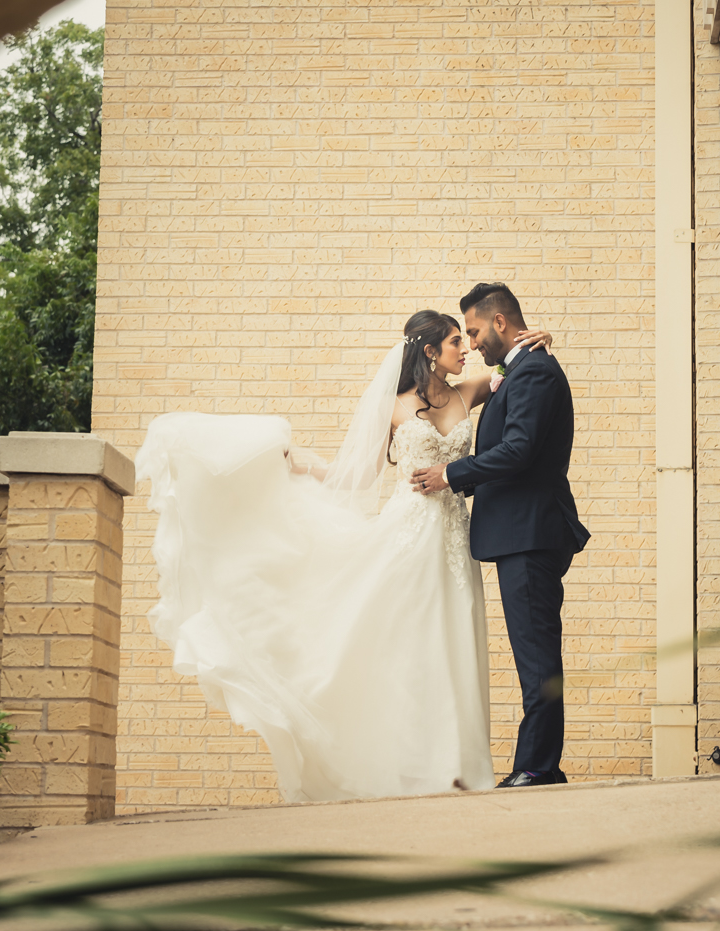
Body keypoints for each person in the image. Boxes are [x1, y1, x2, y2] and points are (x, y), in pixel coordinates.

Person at [137, 308, 550, 801]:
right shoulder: (394, 407)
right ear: (429, 352)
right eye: (457, 343)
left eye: (468, 342)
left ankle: (460, 768)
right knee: (410, 649)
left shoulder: (471, 390)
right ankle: (414, 770)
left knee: (456, 641)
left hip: (457, 542)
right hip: (408, 537)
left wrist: (538, 340)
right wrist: (301, 465)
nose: (467, 350)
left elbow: (513, 371)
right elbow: (356, 477)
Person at [411, 282, 589, 787]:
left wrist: (450, 474)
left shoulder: (533, 371)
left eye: (473, 330)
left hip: (529, 536)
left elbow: (518, 450)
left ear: (500, 323)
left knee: (537, 657)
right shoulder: (521, 369)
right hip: (520, 535)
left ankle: (538, 766)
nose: (471, 343)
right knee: (533, 654)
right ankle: (537, 762)